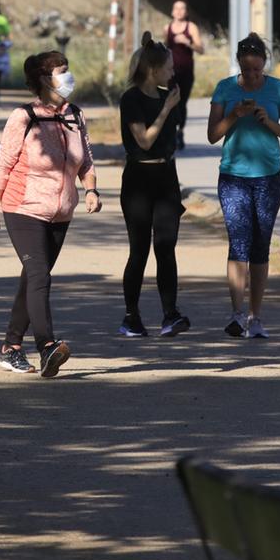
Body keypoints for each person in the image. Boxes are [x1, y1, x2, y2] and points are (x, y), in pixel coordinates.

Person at [0, 50, 101, 377]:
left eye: (68, 70)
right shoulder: (23, 117)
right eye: (61, 72)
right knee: (39, 276)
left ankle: (10, 348)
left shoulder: (75, 115)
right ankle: (47, 345)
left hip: (61, 212)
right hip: (23, 208)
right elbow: (3, 165)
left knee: (31, 279)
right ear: (42, 80)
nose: (68, 77)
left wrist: (91, 189)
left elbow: (86, 161)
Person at [207, 32, 280, 339]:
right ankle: (236, 314)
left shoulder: (278, 89)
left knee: (260, 245)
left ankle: (256, 316)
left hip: (269, 177)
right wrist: (234, 114)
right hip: (233, 176)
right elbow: (212, 135)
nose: (252, 76)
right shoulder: (225, 89)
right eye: (247, 72)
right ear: (239, 67)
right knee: (238, 242)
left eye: (257, 71)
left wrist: (265, 120)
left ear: (264, 65)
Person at [117, 33, 189, 338]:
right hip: (138, 179)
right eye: (169, 68)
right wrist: (166, 109)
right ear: (152, 69)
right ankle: (131, 317)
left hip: (166, 178)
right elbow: (144, 140)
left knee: (166, 246)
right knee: (140, 250)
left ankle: (170, 314)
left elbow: (170, 142)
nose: (173, 73)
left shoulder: (169, 95)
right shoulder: (131, 98)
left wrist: (171, 105)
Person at [164, 0, 205, 150]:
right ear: (172, 11)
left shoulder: (191, 27)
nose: (179, 11)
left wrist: (188, 42)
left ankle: (179, 131)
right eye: (177, 8)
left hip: (186, 71)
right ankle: (170, 133)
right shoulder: (166, 28)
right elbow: (164, 50)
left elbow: (201, 49)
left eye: (182, 9)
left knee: (182, 103)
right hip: (169, 73)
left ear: (186, 12)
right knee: (170, 102)